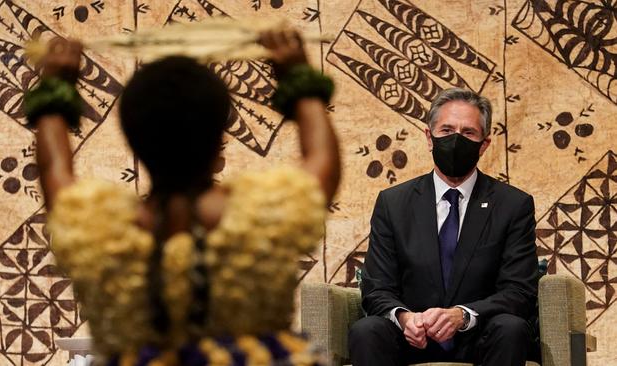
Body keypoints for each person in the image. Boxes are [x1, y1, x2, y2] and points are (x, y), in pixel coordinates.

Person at [29, 30, 340, 365]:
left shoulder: (97, 228)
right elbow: (323, 160)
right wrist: (298, 78)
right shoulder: (267, 213)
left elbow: (53, 168)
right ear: (220, 133)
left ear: (133, 140)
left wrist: (55, 86)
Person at [348, 88, 539, 366]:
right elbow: (377, 287)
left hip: (479, 338)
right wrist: (405, 318)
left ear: (484, 144)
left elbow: (519, 291)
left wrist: (462, 315)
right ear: (429, 137)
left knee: (511, 328)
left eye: (468, 133)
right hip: (412, 338)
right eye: (446, 130)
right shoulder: (393, 203)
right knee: (366, 331)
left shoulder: (513, 205)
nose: (456, 140)